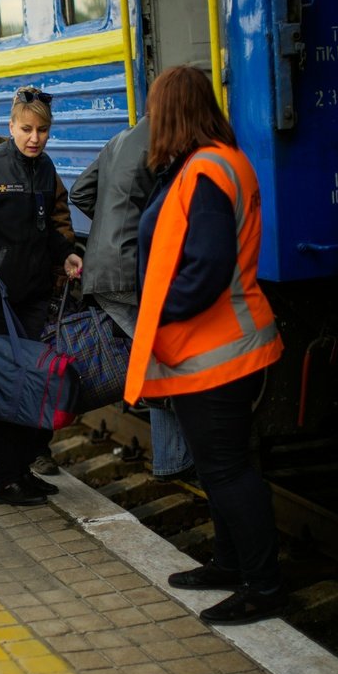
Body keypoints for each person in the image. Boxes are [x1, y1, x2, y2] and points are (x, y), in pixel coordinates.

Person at [124, 65, 285, 624]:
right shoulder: (210, 163)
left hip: (217, 351)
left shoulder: (207, 170)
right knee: (222, 467)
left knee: (227, 469)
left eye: (155, 108)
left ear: (172, 111)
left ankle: (263, 587)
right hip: (215, 348)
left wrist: (156, 313)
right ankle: (228, 563)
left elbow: (208, 268)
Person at [0, 87, 82, 506]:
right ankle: (3, 479)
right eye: (26, 129)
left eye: (42, 130)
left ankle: (22, 469)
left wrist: (69, 254)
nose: (35, 138)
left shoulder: (43, 169)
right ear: (10, 127)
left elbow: (43, 230)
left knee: (29, 383)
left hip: (31, 297)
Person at [70, 117, 195, 481]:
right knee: (161, 357)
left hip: (102, 264)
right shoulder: (166, 141)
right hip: (128, 269)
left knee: (154, 355)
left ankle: (176, 456)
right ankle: (174, 459)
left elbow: (80, 192)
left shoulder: (120, 138)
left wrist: (110, 227)